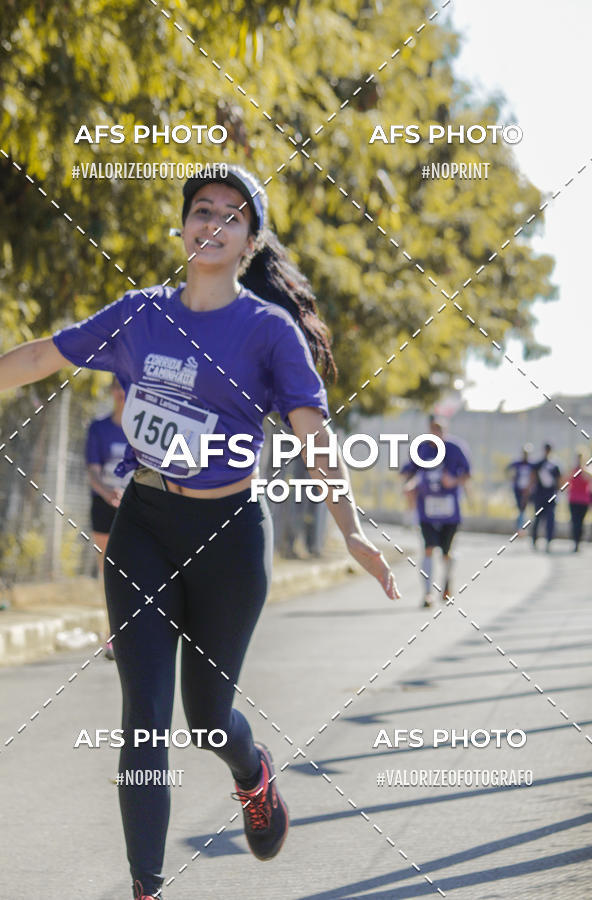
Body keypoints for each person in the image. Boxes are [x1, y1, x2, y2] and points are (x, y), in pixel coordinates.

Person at [0, 165, 400, 900]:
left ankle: (253, 777)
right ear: (183, 226)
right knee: (144, 718)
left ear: (250, 241)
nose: (213, 221)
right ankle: (147, 888)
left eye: (232, 215)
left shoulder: (266, 332)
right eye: (202, 209)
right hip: (144, 523)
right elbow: (36, 358)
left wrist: (351, 529)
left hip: (229, 534)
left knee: (209, 721)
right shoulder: (139, 314)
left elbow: (315, 437)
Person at [85, 376, 132, 659]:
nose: (119, 392)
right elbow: (92, 470)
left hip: (137, 508)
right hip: (105, 507)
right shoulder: (99, 429)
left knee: (135, 571)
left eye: (124, 387)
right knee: (109, 573)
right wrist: (106, 492)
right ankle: (111, 634)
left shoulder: (139, 430)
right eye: (115, 386)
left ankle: (131, 631)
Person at [402, 420, 470, 607]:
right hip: (427, 511)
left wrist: (454, 481)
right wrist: (409, 486)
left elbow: (467, 474)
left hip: (450, 512)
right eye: (433, 430)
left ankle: (447, 582)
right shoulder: (422, 449)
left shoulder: (456, 449)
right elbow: (410, 472)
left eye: (439, 431)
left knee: (446, 554)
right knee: (428, 549)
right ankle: (427, 594)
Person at [530, 442, 561, 552]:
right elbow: (532, 477)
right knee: (537, 518)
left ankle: (549, 541)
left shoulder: (555, 465)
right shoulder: (539, 464)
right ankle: (534, 540)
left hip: (550, 496)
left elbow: (558, 481)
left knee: (550, 519)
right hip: (539, 495)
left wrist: (558, 493)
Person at [567, 452, 592, 551]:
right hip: (573, 499)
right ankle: (575, 541)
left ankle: (578, 542)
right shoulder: (573, 470)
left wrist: (583, 469)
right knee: (575, 522)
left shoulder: (588, 470)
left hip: (583, 501)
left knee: (580, 522)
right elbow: (567, 481)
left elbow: (591, 481)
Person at [506, 443, 534, 532]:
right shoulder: (517, 463)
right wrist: (512, 478)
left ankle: (521, 527)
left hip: (527, 490)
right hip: (518, 489)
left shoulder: (532, 464)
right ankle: (520, 527)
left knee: (524, 508)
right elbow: (507, 469)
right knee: (520, 508)